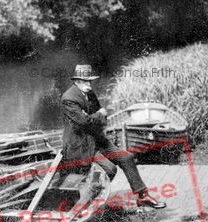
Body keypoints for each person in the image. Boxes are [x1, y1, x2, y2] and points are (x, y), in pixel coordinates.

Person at [60, 64, 165, 209]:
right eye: (85, 81)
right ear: (77, 81)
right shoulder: (68, 98)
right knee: (109, 169)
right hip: (80, 144)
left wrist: (95, 116)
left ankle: (143, 196)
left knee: (126, 158)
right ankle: (89, 200)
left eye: (90, 81)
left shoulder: (89, 93)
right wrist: (96, 116)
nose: (89, 85)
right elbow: (86, 121)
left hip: (96, 139)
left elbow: (99, 116)